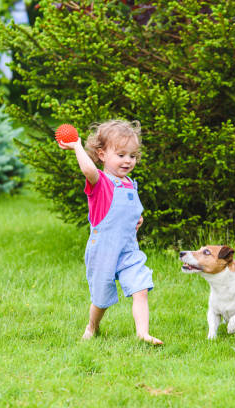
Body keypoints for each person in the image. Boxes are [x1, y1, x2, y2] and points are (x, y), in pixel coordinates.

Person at [58, 119, 163, 345]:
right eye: (121, 154)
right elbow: (88, 169)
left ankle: (142, 333)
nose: (128, 161)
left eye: (132, 156)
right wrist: (76, 146)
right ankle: (92, 326)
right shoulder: (101, 183)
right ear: (102, 154)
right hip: (103, 251)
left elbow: (129, 213)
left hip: (128, 250)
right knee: (101, 299)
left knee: (141, 288)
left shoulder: (129, 185)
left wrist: (137, 220)